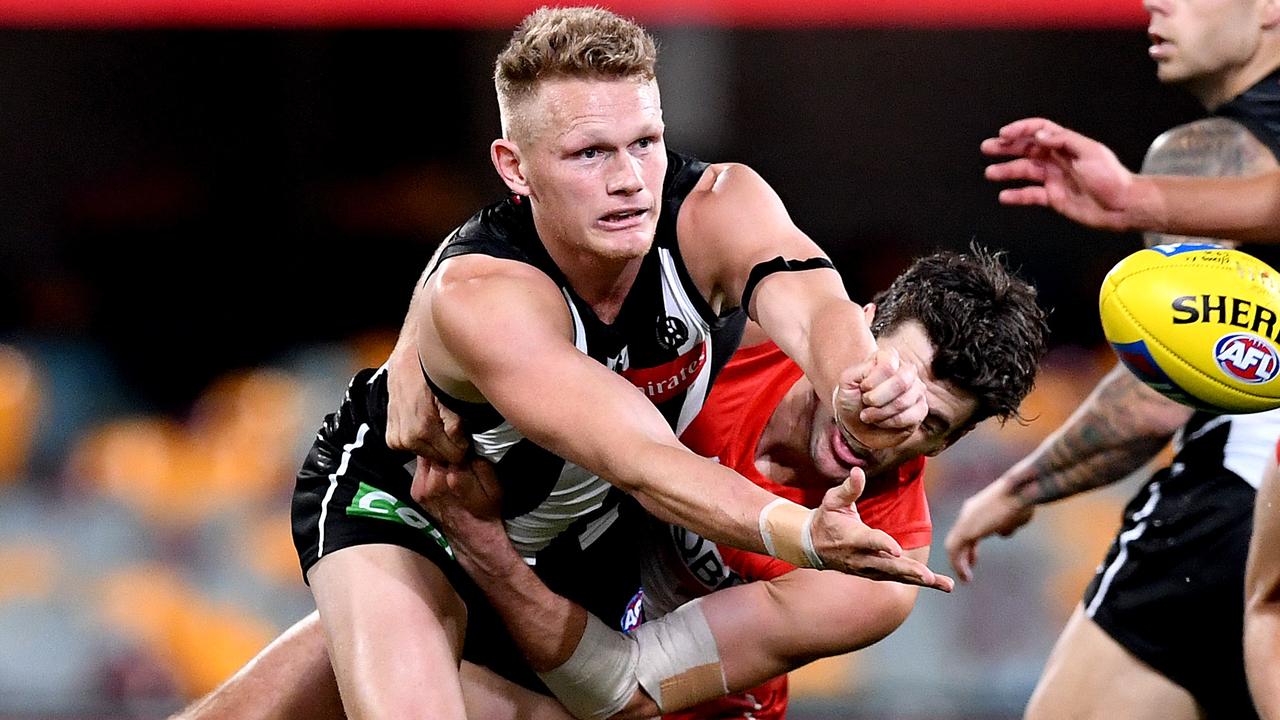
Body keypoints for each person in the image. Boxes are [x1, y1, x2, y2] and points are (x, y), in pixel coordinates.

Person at [289, 7, 955, 720]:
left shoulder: (717, 206)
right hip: (414, 504)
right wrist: (803, 536)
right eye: (590, 154)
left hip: (569, 533)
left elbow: (818, 303)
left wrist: (856, 379)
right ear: (514, 167)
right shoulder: (486, 297)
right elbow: (642, 457)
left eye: (646, 142)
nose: (631, 179)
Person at [173, 248, 1047, 720]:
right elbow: (503, 256)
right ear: (856, 326)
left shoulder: (881, 574)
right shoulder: (740, 330)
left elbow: (626, 687)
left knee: (372, 662)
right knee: (340, 650)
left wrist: (484, 550)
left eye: (928, 424)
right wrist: (413, 344)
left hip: (645, 706)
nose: (881, 428)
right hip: (552, 597)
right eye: (889, 382)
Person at [949, 2, 1280, 716]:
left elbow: (1158, 396)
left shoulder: (1210, 153)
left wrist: (1015, 489)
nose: (1156, 3)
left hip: (1236, 508)